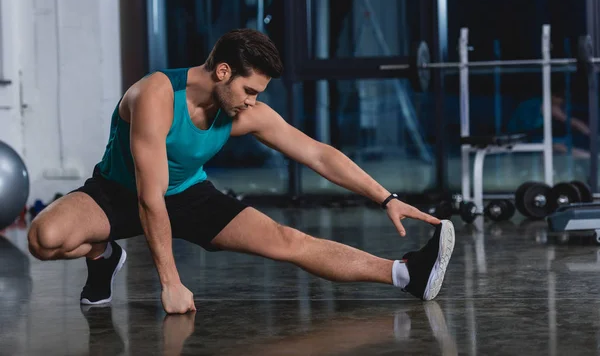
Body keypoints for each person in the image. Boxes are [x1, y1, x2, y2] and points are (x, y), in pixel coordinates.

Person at [27, 29, 455, 314]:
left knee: (288, 241)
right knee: (43, 240)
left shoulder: (242, 111)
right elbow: (147, 196)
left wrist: (387, 198)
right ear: (223, 71)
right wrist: (171, 284)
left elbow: (319, 155)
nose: (252, 101)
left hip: (189, 194)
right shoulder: (156, 94)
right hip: (119, 192)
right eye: (249, 90)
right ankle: (105, 256)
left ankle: (406, 274)